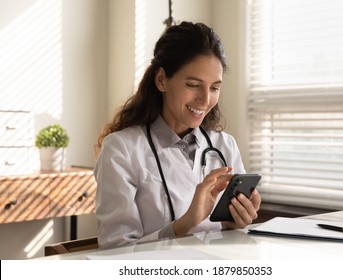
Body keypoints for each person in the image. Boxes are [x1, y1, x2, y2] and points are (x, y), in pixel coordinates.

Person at [94, 21, 261, 249]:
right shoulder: (121, 149)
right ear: (162, 80)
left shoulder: (224, 145)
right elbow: (115, 251)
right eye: (193, 85)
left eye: (214, 88)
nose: (205, 100)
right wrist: (185, 224)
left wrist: (235, 223)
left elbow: (228, 237)